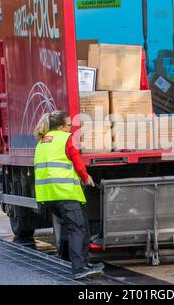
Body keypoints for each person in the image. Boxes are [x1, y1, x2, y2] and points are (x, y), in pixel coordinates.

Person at [33, 111, 104, 280]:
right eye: (69, 125)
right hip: (64, 192)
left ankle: (85, 263)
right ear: (60, 127)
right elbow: (78, 163)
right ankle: (78, 269)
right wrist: (86, 178)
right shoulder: (66, 139)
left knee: (81, 225)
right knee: (77, 228)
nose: (71, 128)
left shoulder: (42, 141)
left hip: (49, 195)